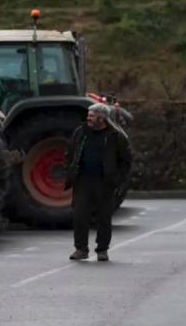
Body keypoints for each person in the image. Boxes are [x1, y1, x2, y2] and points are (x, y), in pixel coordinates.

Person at [64, 103, 132, 262]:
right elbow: (70, 152)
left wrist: (117, 179)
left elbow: (126, 160)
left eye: (92, 116)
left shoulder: (115, 136)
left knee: (104, 217)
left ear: (102, 118)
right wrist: (70, 169)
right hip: (82, 181)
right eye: (88, 115)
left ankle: (102, 250)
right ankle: (81, 249)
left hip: (104, 182)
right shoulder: (81, 132)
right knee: (79, 216)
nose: (88, 118)